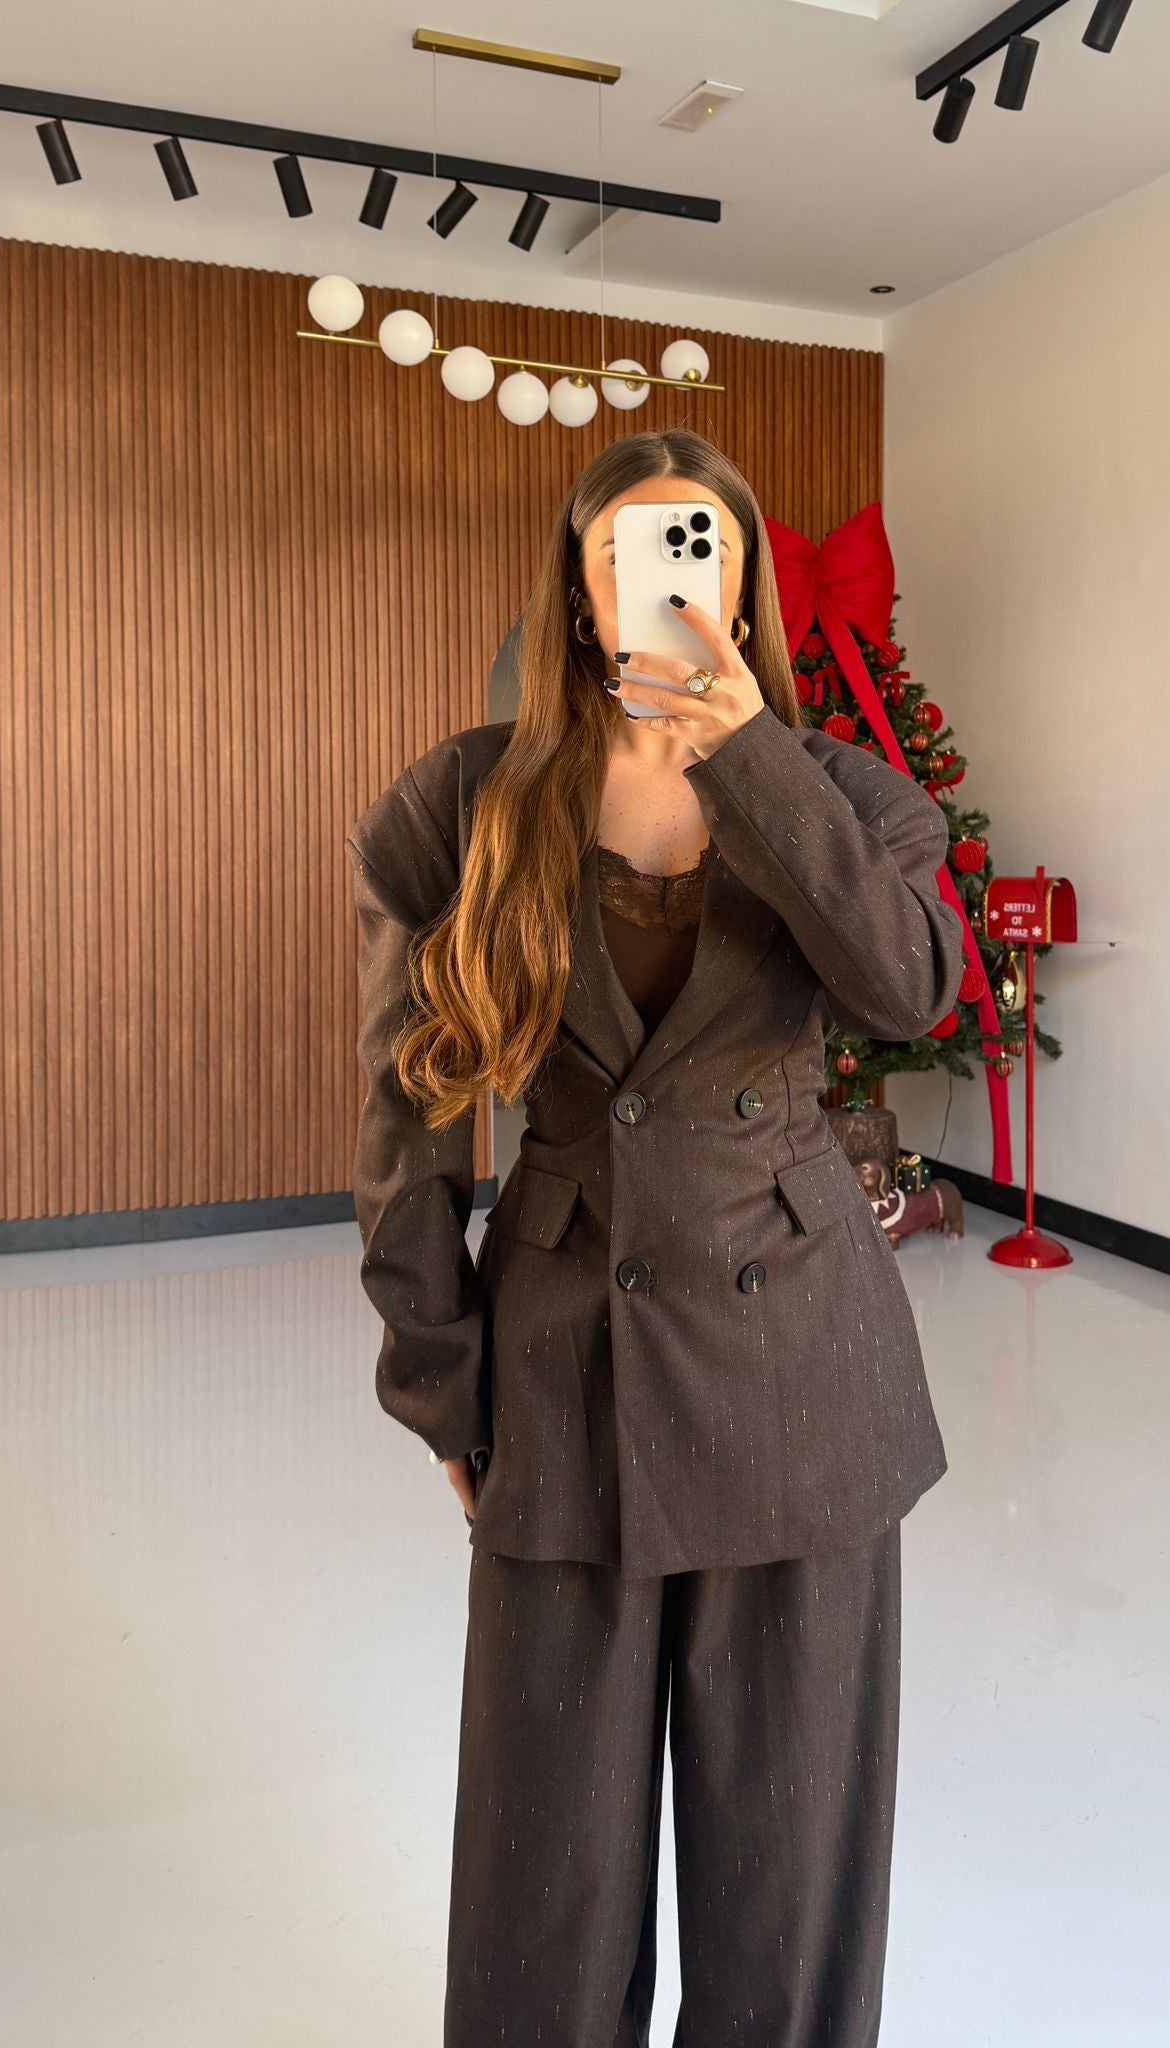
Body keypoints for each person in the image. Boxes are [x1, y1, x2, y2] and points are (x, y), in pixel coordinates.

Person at [345, 428, 967, 2046]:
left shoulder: (845, 795)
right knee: (543, 1876)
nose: (670, 575)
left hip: (804, 1368)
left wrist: (743, 757)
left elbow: (909, 990)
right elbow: (407, 1119)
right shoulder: (462, 801)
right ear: (579, 586)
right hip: (560, 1360)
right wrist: (439, 1381)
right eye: (630, 546)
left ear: (744, 585)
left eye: (704, 545)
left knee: (789, 1872)